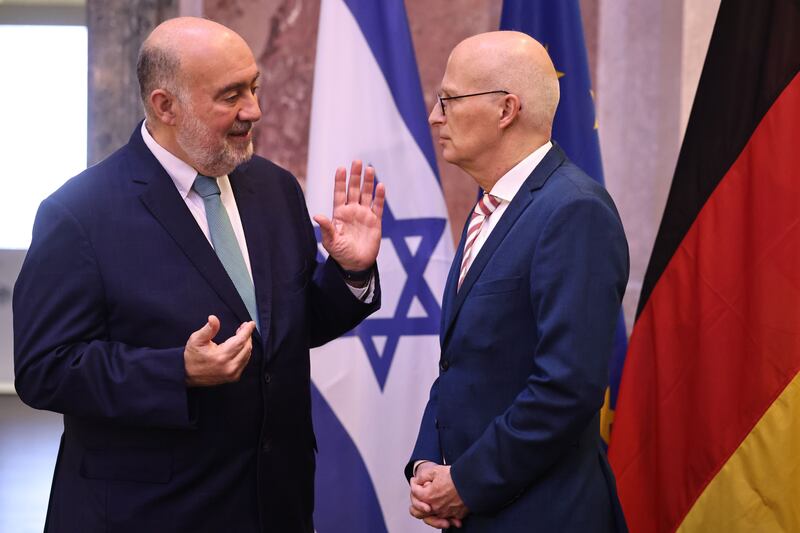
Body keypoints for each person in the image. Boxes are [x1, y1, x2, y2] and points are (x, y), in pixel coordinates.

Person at [13, 17, 384, 533]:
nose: (253, 110)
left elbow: (290, 328)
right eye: (231, 95)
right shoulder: (80, 213)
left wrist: (351, 269)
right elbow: (44, 369)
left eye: (254, 87)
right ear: (166, 105)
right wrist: (177, 371)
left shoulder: (275, 189)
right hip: (149, 513)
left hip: (275, 504)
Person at [406, 31, 629, 532]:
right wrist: (426, 464)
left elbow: (567, 387)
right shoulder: (490, 207)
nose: (435, 116)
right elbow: (461, 365)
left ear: (506, 109)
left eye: (449, 99)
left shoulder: (573, 210)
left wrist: (466, 481)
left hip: (545, 515)